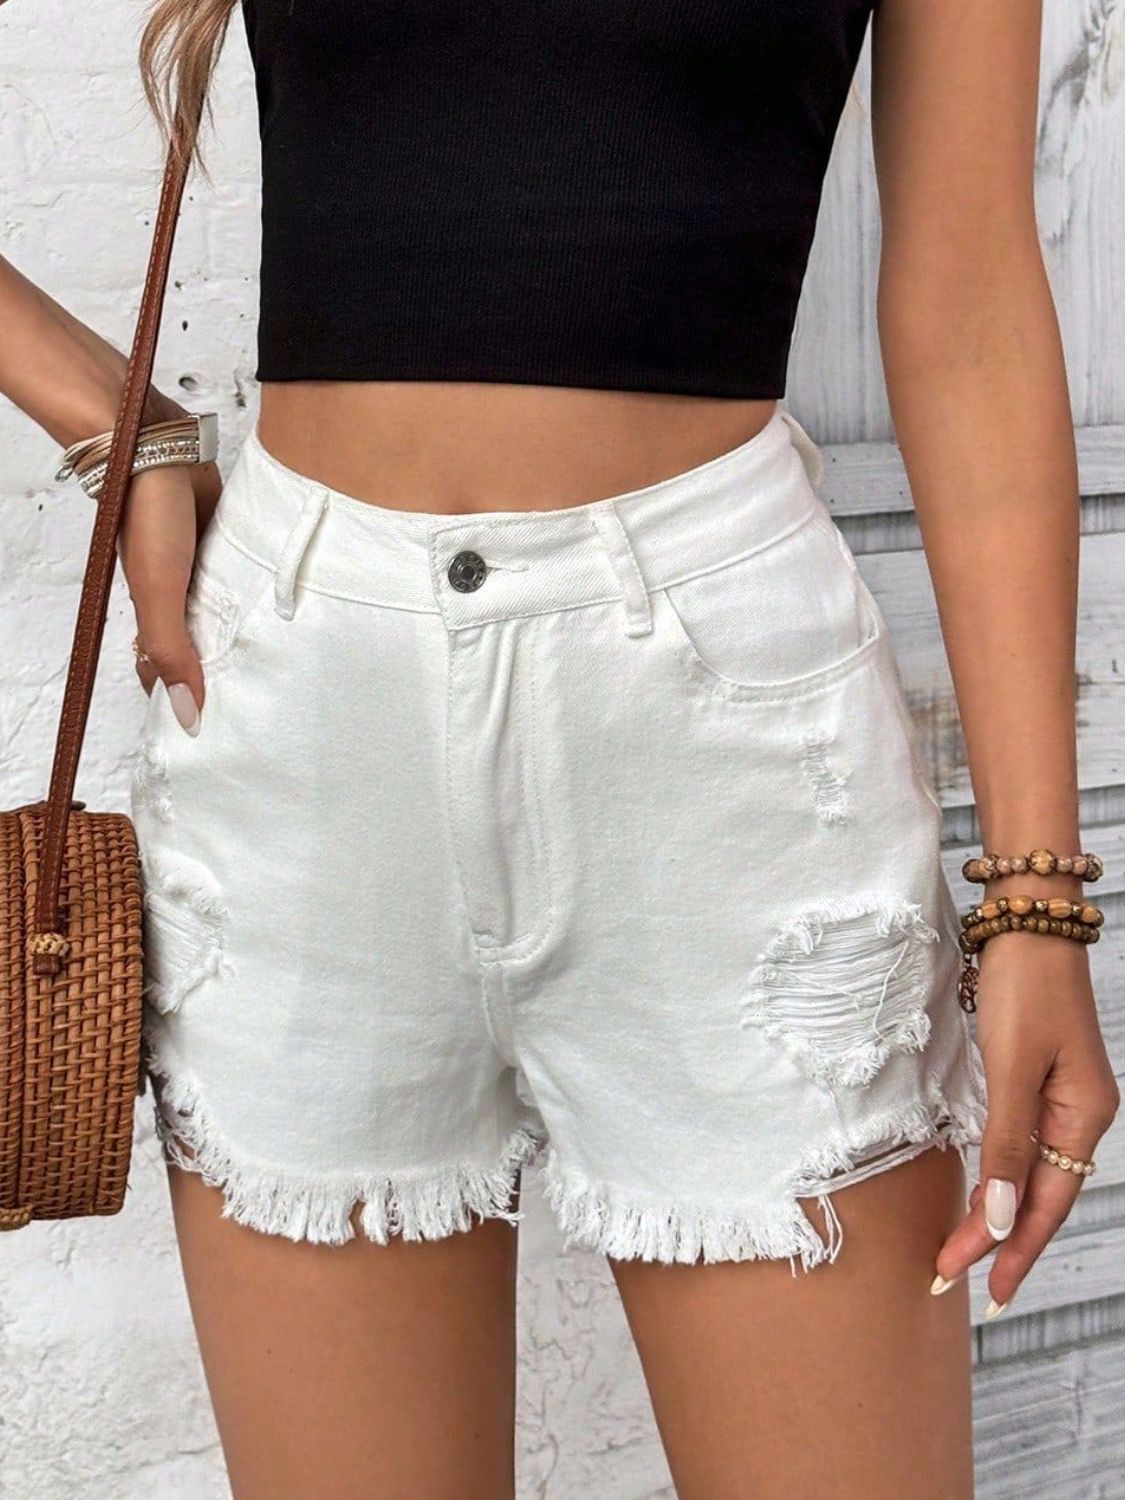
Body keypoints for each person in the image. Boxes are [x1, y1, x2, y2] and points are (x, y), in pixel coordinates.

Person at [2, 2, 1118, 1496]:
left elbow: (968, 299)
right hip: (306, 720)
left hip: (723, 737)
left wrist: (1035, 899)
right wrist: (108, 414)